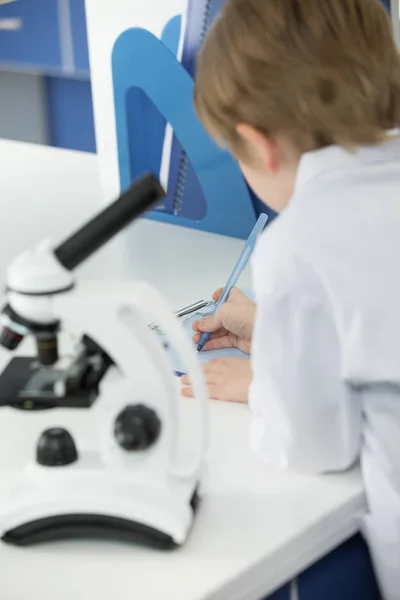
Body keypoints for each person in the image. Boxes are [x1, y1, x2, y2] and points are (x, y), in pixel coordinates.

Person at [179, 0, 400, 597]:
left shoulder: (299, 244)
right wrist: (276, 323)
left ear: (259, 145)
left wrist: (262, 383)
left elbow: (313, 443)